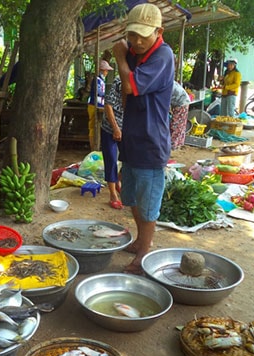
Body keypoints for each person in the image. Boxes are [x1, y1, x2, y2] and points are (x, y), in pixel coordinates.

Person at [112, 3, 174, 274]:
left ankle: (145, 254)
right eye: (132, 35)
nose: (136, 41)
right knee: (133, 199)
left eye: (142, 36)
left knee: (148, 205)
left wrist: (120, 57)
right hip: (133, 139)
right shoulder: (137, 52)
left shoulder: (162, 55)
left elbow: (129, 85)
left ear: (158, 31)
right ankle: (140, 241)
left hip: (151, 143)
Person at [101, 76, 124, 209]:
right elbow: (108, 106)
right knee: (110, 158)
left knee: (128, 159)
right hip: (109, 128)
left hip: (127, 127)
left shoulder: (142, 79)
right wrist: (115, 128)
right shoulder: (119, 81)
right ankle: (113, 194)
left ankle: (117, 182)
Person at [87, 59, 114, 150]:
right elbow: (98, 93)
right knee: (93, 127)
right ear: (102, 70)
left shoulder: (101, 80)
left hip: (100, 105)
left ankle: (97, 145)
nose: (107, 73)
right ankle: (93, 147)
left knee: (98, 127)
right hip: (94, 105)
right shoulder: (97, 80)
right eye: (106, 70)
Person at [170, 81, 191, 149]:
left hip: (182, 103)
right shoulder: (168, 81)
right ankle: (176, 143)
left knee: (176, 124)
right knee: (179, 124)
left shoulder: (166, 84)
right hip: (181, 102)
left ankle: (173, 145)